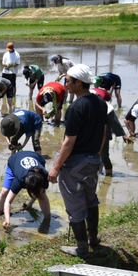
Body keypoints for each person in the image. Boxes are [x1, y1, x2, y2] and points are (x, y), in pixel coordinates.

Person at [48, 64, 107, 258]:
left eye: (68, 80)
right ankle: (94, 239)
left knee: (75, 206)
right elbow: (104, 132)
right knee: (91, 200)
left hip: (75, 164)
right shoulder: (100, 103)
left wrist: (56, 168)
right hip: (93, 161)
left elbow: (68, 142)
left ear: (78, 82)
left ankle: (82, 248)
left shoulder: (75, 107)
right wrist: (97, 154)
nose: (65, 83)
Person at [0, 151, 52, 232]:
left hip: (36, 157)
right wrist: (7, 221)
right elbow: (8, 201)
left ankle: (47, 218)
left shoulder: (44, 175)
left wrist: (30, 203)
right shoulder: (19, 179)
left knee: (42, 196)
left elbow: (40, 194)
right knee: (5, 191)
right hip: (14, 160)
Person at [101, 102, 132, 177]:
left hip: (102, 133)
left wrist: (123, 134)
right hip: (89, 132)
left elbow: (114, 121)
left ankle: (108, 175)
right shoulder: (83, 102)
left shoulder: (106, 106)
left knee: (104, 156)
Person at [1, 42, 20, 114]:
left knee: (13, 85)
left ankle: (13, 95)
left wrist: (12, 66)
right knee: (4, 84)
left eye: (10, 49)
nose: (9, 50)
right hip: (5, 71)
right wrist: (6, 65)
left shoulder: (17, 54)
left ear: (12, 48)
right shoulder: (5, 54)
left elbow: (17, 63)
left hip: (13, 72)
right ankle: (4, 94)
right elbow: (3, 62)